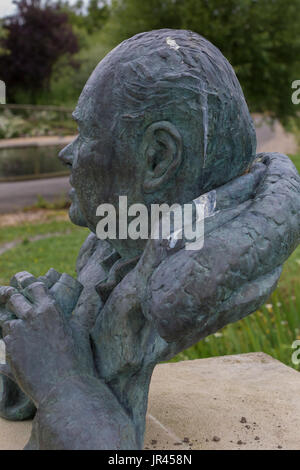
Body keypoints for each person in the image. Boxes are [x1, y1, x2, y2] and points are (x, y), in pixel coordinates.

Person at [0, 29, 299, 450]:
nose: (66, 153)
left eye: (85, 133)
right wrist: (32, 345)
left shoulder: (174, 293)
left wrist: (63, 384)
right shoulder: (113, 244)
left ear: (157, 157)